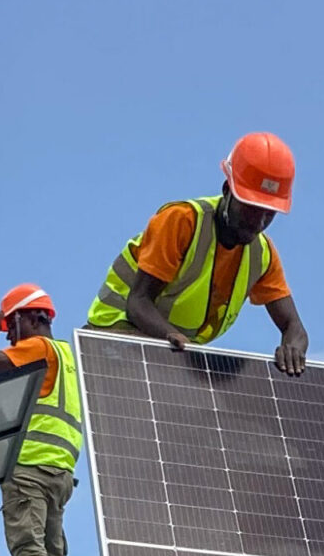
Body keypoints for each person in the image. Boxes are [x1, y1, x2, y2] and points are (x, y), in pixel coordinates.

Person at [86, 132, 310, 376]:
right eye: (251, 208)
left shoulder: (262, 256)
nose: (258, 222)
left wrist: (293, 347)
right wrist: (171, 337)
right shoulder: (182, 222)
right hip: (117, 329)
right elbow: (138, 303)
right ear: (227, 190)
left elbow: (294, 326)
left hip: (176, 348)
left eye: (269, 213)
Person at [0, 283, 83, 556]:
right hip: (61, 472)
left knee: (30, 553)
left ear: (34, 319)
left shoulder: (39, 348)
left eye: (12, 325)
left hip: (30, 468)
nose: (10, 336)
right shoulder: (69, 356)